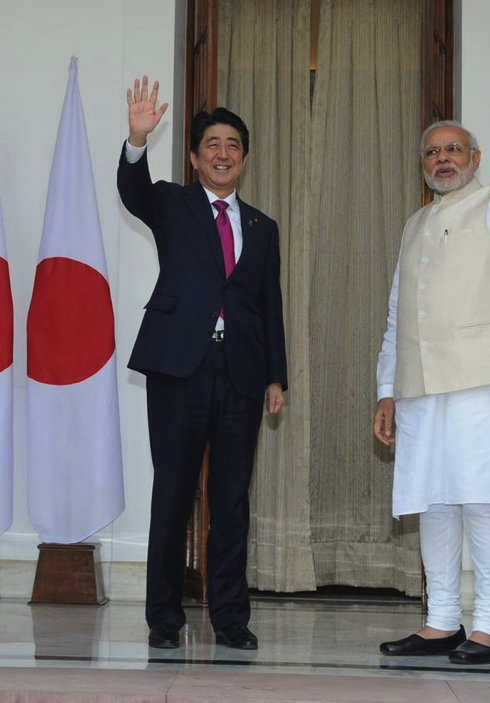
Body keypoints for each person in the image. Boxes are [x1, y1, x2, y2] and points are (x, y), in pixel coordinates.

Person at [374, 68, 490, 664]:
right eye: (432, 152)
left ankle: (488, 629)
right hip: (421, 387)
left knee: (481, 498)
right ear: (422, 165)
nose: (443, 158)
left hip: (481, 381)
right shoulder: (413, 225)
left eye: (454, 149)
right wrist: (386, 391)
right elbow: (398, 314)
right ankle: (442, 621)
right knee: (434, 499)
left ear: (477, 158)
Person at [117, 77, 288, 651]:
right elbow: (131, 190)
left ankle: (230, 617)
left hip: (240, 373)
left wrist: (275, 376)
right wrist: (137, 140)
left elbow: (271, 307)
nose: (222, 153)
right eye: (211, 144)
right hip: (179, 368)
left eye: (232, 145)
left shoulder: (263, 228)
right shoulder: (171, 202)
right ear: (194, 156)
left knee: (232, 498)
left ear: (244, 158)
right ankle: (164, 616)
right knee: (173, 490)